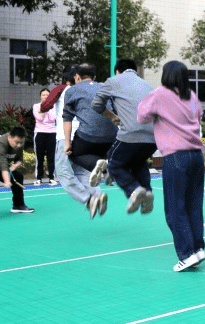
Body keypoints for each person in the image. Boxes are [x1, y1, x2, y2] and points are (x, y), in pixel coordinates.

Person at [137, 61, 205, 272]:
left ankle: (186, 254)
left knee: (175, 208)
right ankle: (198, 248)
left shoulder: (160, 94)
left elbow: (141, 115)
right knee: (194, 205)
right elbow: (199, 116)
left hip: (176, 156)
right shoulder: (191, 96)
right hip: (197, 156)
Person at [93, 59, 157, 215]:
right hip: (153, 138)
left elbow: (96, 104)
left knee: (114, 164)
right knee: (138, 161)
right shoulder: (147, 85)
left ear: (117, 71)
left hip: (130, 134)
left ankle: (134, 191)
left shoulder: (113, 81)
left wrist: (111, 116)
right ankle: (147, 192)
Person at [41, 67, 106, 218]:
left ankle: (88, 199)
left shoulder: (61, 89)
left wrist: (44, 106)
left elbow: (46, 106)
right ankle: (97, 195)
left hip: (65, 136)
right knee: (82, 171)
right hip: (83, 136)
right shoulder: (88, 91)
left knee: (63, 172)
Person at [62, 64, 117, 180]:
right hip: (112, 136)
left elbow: (67, 118)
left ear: (77, 77)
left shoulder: (72, 90)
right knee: (104, 152)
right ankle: (108, 169)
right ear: (95, 77)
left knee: (75, 153)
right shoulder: (106, 88)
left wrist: (68, 143)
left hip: (88, 136)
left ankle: (98, 167)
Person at [32, 88, 57, 185]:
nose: (45, 97)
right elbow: (40, 118)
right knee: (39, 156)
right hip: (39, 133)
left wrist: (48, 107)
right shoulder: (36, 106)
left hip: (51, 133)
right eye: (43, 95)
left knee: (51, 156)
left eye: (47, 95)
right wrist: (43, 107)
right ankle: (39, 178)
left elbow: (52, 118)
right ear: (40, 96)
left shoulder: (54, 106)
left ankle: (52, 177)